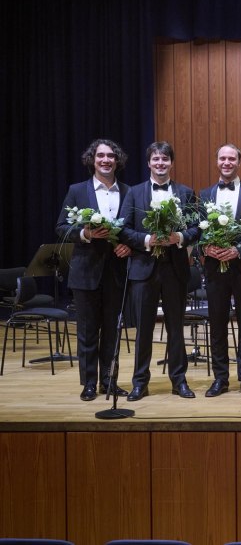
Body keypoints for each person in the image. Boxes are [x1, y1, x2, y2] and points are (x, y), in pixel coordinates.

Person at [120, 141, 199, 401]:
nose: (160, 163)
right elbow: (123, 228)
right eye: (156, 159)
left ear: (171, 163)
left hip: (175, 269)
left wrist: (179, 237)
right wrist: (147, 240)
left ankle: (179, 380)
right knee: (143, 329)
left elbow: (197, 227)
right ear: (149, 163)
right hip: (144, 269)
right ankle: (140, 383)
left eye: (165, 159)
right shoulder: (134, 192)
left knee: (176, 327)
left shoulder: (186, 192)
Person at [54, 139, 132, 401]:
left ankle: (108, 381)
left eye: (111, 156)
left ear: (117, 161)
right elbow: (61, 227)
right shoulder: (77, 190)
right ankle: (89, 383)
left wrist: (129, 246)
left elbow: (133, 230)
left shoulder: (128, 191)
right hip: (85, 271)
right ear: (93, 159)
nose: (106, 160)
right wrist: (85, 234)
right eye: (101, 156)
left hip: (117, 272)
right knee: (87, 331)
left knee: (112, 331)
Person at [198, 144, 241, 397]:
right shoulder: (204, 194)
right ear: (217, 161)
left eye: (231, 159)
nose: (227, 162)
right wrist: (205, 248)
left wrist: (238, 250)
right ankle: (220, 378)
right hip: (215, 269)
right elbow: (197, 231)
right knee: (217, 324)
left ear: (239, 162)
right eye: (222, 158)